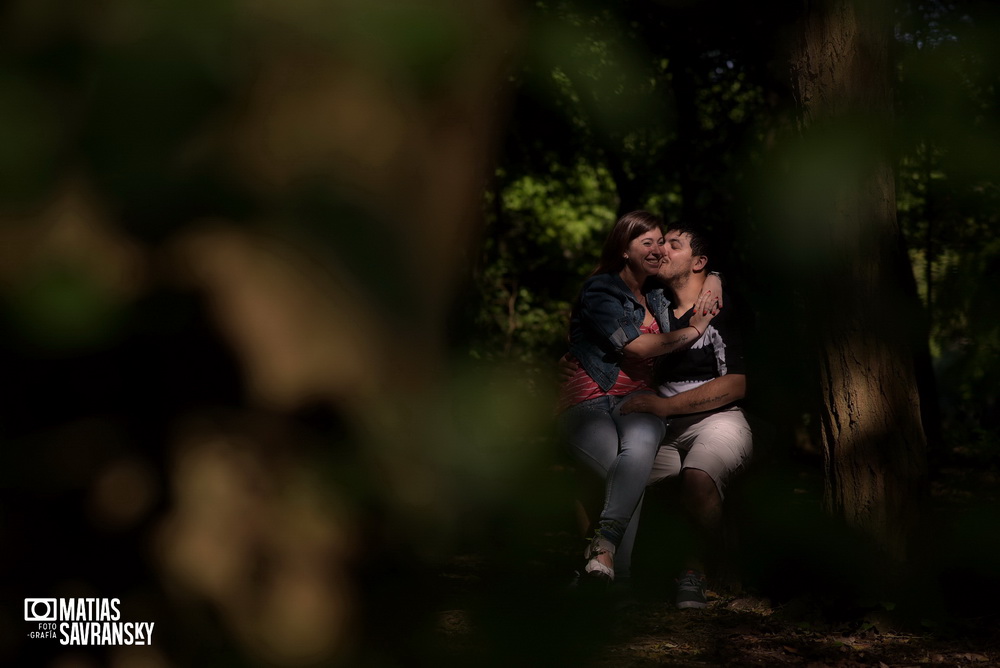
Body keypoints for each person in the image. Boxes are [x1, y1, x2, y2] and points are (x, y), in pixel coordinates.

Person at [557, 210, 720, 583]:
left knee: (637, 456)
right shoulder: (600, 289)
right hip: (589, 399)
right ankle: (618, 575)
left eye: (661, 241)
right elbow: (638, 348)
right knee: (627, 469)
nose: (657, 248)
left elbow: (701, 274)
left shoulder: (657, 294)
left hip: (638, 400)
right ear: (624, 251)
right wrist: (694, 331)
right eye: (646, 241)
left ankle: (602, 560)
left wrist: (716, 279)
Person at [617, 221, 752, 609]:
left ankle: (695, 574)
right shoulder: (652, 306)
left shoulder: (719, 307)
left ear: (699, 263)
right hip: (661, 427)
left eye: (673, 245)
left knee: (698, 476)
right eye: (658, 243)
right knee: (610, 476)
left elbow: (736, 385)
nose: (661, 251)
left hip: (719, 418)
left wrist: (664, 405)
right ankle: (603, 572)